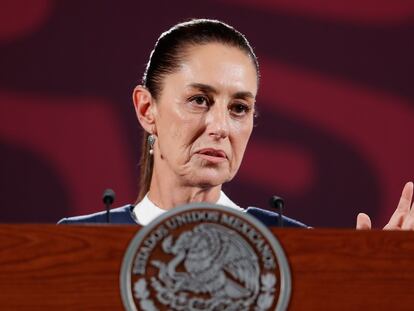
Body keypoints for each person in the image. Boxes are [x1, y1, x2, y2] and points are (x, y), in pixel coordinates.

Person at [58, 19, 414, 230]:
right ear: (147, 109)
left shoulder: (290, 244)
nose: (221, 127)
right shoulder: (78, 241)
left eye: (239, 107)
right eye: (199, 100)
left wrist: (375, 286)